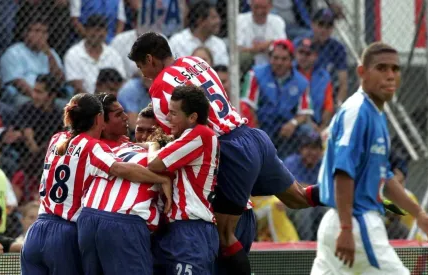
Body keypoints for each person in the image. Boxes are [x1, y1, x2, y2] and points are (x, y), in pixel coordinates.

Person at [128, 32, 323, 275]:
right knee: (299, 198)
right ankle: (345, 190)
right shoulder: (195, 62)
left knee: (223, 235)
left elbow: (181, 141)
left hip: (228, 150)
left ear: (150, 59)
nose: (143, 74)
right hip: (252, 136)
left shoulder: (160, 91)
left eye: (140, 66)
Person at [310, 42, 428, 275]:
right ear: (362, 72)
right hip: (357, 222)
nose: (391, 76)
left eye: (395, 69)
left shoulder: (375, 114)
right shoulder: (357, 111)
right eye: (381, 68)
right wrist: (347, 227)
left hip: (341, 223)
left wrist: (418, 214)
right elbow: (342, 171)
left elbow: (386, 177)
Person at [20, 93, 171, 275]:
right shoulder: (92, 147)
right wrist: (162, 178)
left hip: (36, 230)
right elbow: (121, 169)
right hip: (65, 233)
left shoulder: (57, 139)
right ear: (99, 118)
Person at [145, 85, 219, 274]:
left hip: (191, 230)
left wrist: (152, 145)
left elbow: (154, 163)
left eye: (173, 113)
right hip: (178, 229)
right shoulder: (194, 136)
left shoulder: (200, 134)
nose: (168, 118)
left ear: (192, 117)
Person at [78, 142, 171, 275]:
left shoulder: (117, 148)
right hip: (124, 222)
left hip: (88, 216)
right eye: (140, 130)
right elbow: (166, 208)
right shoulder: (161, 162)